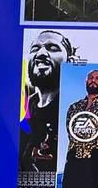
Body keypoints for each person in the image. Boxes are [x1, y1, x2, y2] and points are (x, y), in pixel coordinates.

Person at [19, 31, 71, 172]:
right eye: (35, 49)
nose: (41, 53)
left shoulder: (72, 108)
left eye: (52, 48)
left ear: (70, 61)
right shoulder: (24, 107)